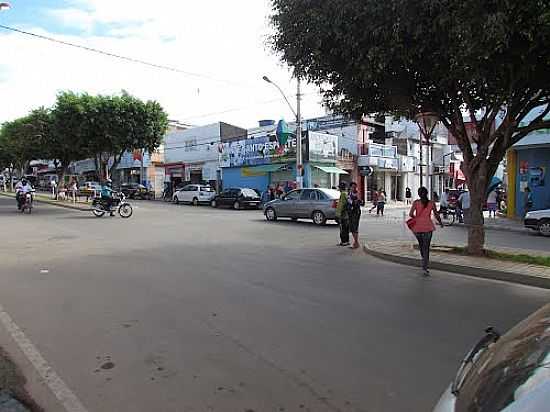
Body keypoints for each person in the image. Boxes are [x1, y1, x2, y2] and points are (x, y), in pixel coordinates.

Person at [409, 187, 443, 276]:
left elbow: (410, 214)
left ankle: (424, 261)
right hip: (428, 227)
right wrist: (441, 223)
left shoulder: (416, 202)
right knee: (426, 247)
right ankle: (425, 267)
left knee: (421, 245)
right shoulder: (431, 203)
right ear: (427, 193)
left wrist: (417, 218)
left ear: (419, 194)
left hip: (417, 228)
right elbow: (436, 214)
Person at [347, 182, 363, 249]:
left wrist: (354, 202)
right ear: (350, 187)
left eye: (355, 187)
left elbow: (359, 202)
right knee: (352, 227)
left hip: (356, 212)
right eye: (353, 187)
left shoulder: (357, 193)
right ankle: (355, 242)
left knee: (354, 227)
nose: (354, 188)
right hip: (351, 212)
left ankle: (356, 243)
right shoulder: (349, 193)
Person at [335, 181, 350, 246]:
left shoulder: (343, 194)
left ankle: (344, 241)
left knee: (343, 229)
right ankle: (346, 241)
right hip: (347, 214)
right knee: (346, 228)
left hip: (343, 214)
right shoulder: (347, 193)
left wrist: (338, 214)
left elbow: (341, 205)